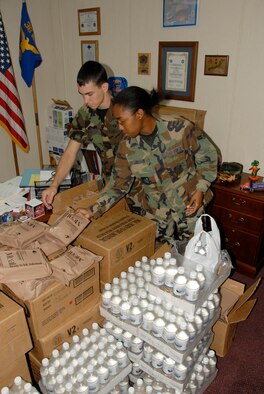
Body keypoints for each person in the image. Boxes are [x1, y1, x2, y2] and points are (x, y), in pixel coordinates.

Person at [77, 86, 219, 243]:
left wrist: (200, 190)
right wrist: (92, 210)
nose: (119, 127)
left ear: (139, 114)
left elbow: (208, 156)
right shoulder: (126, 148)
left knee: (196, 256)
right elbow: (118, 186)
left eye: (121, 121)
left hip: (189, 206)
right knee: (159, 260)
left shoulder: (180, 129)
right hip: (157, 216)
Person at [42, 61, 130, 209]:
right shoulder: (85, 114)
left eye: (90, 94)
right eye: (82, 95)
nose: (86, 101)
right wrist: (54, 185)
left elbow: (131, 161)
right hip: (107, 187)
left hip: (133, 188)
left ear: (104, 87)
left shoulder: (126, 111)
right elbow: (70, 153)